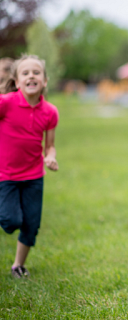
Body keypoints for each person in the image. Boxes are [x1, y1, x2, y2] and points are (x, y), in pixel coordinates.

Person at [0, 54, 59, 278]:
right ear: (17, 82)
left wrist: (51, 157)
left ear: (45, 80)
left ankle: (18, 266)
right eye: (25, 73)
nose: (31, 76)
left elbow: (50, 146)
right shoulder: (5, 103)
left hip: (34, 176)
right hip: (6, 176)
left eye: (36, 72)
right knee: (10, 221)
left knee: (31, 225)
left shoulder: (50, 112)